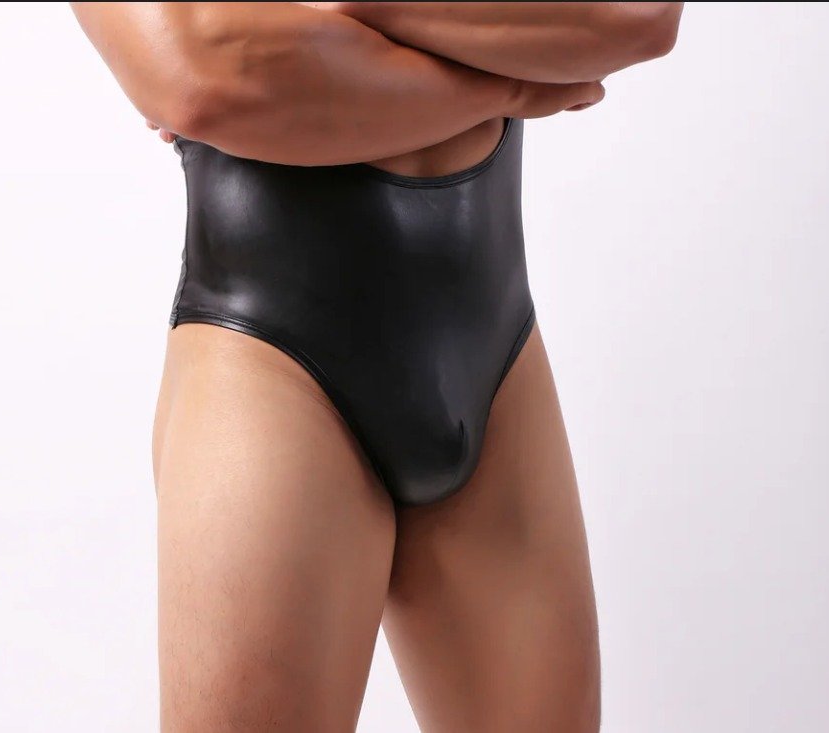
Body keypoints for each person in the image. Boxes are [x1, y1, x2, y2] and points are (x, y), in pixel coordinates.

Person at [71, 3, 683, 731]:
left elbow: (636, 15)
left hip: (495, 348)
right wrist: (516, 83)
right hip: (273, 371)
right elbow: (199, 75)